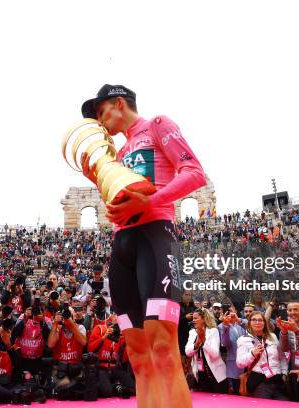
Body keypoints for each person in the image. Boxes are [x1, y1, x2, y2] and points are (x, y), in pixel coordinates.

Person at [80, 84, 206, 408]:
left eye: (100, 112)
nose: (99, 121)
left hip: (155, 237)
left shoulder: (157, 125)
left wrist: (152, 202)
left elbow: (194, 172)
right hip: (122, 246)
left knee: (163, 347)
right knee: (137, 355)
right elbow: (118, 206)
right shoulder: (117, 156)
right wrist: (97, 179)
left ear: (119, 104)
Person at [236, 311, 288, 400]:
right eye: (254, 320)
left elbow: (282, 357)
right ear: (249, 323)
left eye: (260, 320)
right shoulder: (243, 340)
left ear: (264, 322)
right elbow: (240, 363)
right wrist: (252, 354)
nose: (257, 322)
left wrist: (284, 373)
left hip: (278, 380)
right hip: (259, 382)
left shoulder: (272, 336)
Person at [184, 308, 228, 393]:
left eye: (196, 318)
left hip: (216, 375)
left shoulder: (213, 331)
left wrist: (204, 340)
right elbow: (187, 352)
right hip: (201, 375)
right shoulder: (192, 332)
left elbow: (215, 354)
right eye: (193, 318)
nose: (193, 320)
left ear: (204, 319)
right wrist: (196, 344)